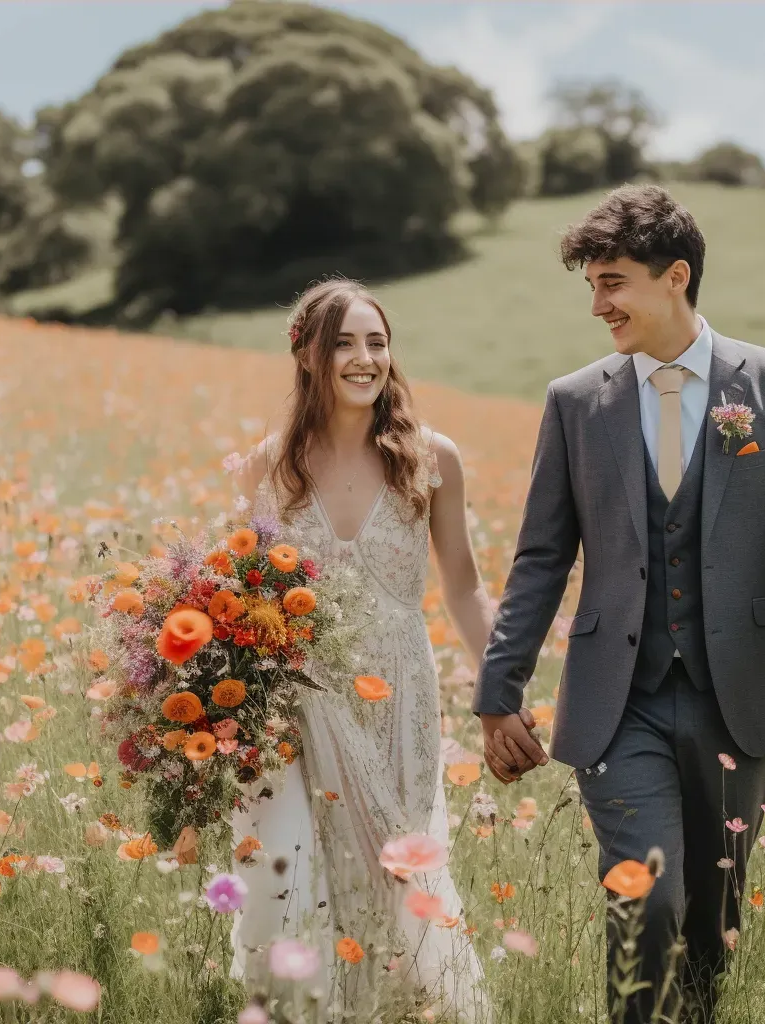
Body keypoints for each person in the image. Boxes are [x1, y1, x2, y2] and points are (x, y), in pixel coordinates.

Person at [473, 184, 765, 1023]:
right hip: (620, 701)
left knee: (711, 926)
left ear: (675, 275)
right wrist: (499, 693)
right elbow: (541, 556)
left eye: (613, 282)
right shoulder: (576, 402)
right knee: (644, 901)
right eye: (593, 287)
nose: (600, 305)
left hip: (744, 696)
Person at [228, 278, 493, 1021]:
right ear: (308, 355)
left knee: (400, 875)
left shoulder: (428, 457)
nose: (364, 357)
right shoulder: (269, 466)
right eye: (344, 342)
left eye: (376, 341)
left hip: (400, 692)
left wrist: (501, 690)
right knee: (299, 880)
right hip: (299, 708)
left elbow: (465, 588)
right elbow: (242, 602)